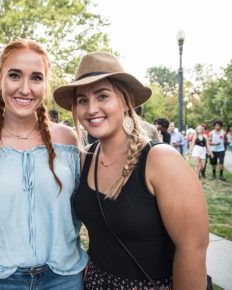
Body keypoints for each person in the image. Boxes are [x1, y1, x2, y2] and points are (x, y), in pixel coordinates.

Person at [53, 52, 209, 289]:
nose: (91, 108)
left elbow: (192, 250)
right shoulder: (84, 159)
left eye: (103, 96)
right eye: (82, 100)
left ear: (126, 101)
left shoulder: (161, 160)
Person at [0, 39, 87, 290]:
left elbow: (83, 209)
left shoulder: (67, 139)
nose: (25, 88)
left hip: (63, 278)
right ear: (0, 79)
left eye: (36, 78)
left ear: (45, 83)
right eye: (15, 75)